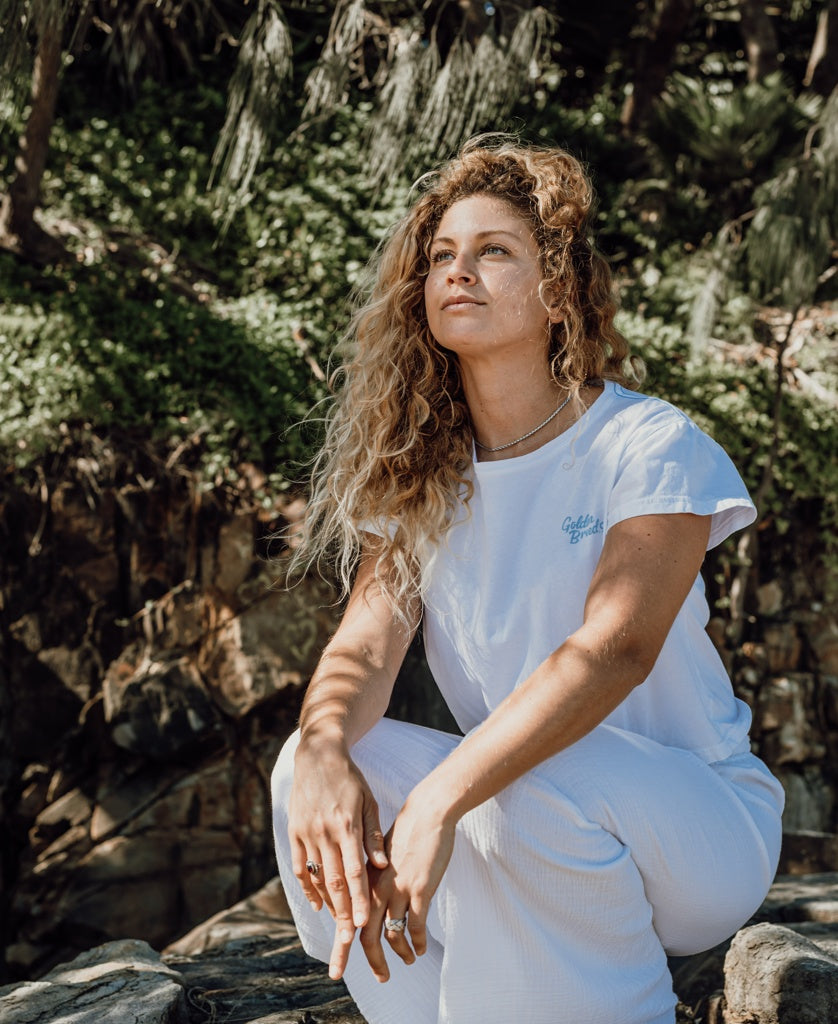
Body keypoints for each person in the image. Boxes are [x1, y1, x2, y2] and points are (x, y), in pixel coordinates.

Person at [270, 136, 784, 1024]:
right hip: (511, 809)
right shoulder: (420, 476)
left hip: (695, 830)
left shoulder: (644, 443)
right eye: (440, 256)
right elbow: (362, 648)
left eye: (492, 251)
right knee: (310, 764)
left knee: (507, 791)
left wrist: (437, 798)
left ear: (557, 291)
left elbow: (613, 650)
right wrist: (320, 751)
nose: (456, 271)